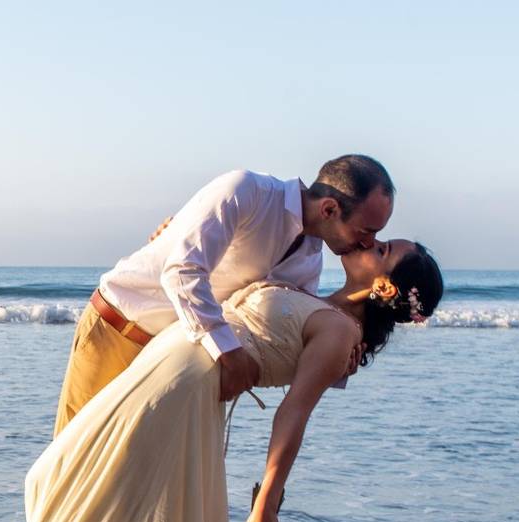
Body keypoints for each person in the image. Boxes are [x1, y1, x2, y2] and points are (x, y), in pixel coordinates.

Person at [25, 239, 443, 522]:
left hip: (182, 385)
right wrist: (175, 237)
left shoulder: (340, 333)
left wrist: (266, 503)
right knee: (58, 483)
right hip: (165, 361)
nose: (371, 242)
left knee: (59, 483)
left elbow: (294, 413)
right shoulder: (315, 295)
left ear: (384, 286)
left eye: (383, 250)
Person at [54, 155, 396, 437]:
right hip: (120, 332)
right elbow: (182, 272)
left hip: (175, 363)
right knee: (70, 471)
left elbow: (273, 335)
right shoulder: (247, 191)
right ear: (329, 209)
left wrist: (335, 365)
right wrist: (230, 355)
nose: (368, 242)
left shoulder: (310, 259)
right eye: (366, 231)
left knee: (134, 492)